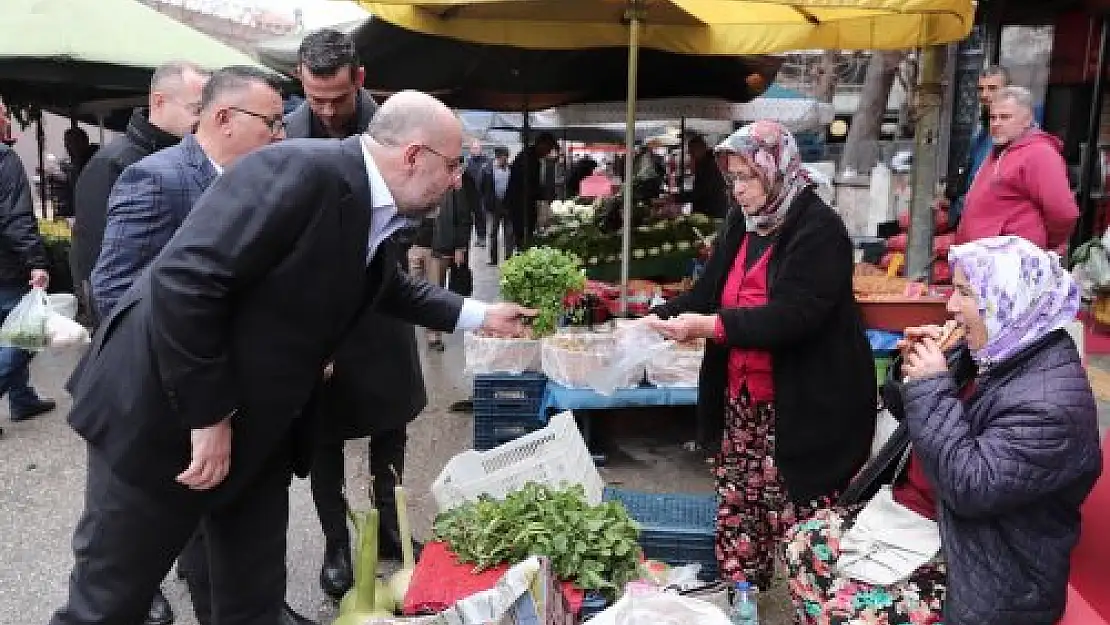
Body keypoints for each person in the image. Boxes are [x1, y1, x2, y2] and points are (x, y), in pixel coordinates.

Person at [47, 89, 534, 625]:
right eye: (453, 162)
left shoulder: (369, 202)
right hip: (161, 417)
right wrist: (208, 416)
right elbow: (184, 286)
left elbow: (386, 286)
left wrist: (480, 315)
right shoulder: (299, 172)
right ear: (414, 155)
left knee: (252, 599)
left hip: (257, 428)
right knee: (108, 603)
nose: (459, 178)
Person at [784, 235, 1102, 625]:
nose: (951, 306)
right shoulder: (994, 347)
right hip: (922, 517)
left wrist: (932, 385)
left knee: (848, 614)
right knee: (801, 546)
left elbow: (969, 487)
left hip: (987, 560)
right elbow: (909, 412)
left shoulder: (1053, 407)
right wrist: (909, 370)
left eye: (965, 293)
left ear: (1008, 298)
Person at [88, 67, 308, 625]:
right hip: (170, 405)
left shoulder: (266, 182)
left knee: (233, 552)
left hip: (239, 405)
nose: (282, 137)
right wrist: (193, 384)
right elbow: (117, 292)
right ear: (224, 119)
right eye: (272, 124)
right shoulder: (156, 179)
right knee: (127, 563)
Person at [645, 120, 876, 588]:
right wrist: (656, 319)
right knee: (740, 508)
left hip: (804, 406)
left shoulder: (819, 228)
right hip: (743, 400)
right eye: (732, 179)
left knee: (798, 522)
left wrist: (710, 327)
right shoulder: (743, 223)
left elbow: (794, 316)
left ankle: (802, 609)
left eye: (748, 177)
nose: (739, 190)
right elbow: (708, 292)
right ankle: (744, 600)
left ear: (777, 169)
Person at [282, 28, 429, 603]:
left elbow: (420, 201)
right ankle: (335, 541)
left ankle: (390, 525)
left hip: (380, 300)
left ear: (359, 80)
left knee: (389, 426)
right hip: (315, 311)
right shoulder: (286, 132)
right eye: (315, 98)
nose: (324, 109)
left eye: (336, 99)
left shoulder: (392, 126)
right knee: (323, 436)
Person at [72, 61, 210, 330]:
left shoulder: (195, 157)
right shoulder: (112, 164)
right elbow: (95, 257)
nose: (202, 119)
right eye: (196, 109)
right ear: (159, 101)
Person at [955, 86, 1078, 253]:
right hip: (983, 261)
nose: (996, 123)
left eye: (1005, 117)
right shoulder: (1000, 150)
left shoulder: (1039, 153)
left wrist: (1041, 243)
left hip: (1011, 263)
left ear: (1027, 120)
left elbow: (1064, 212)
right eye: (993, 118)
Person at [0, 106, 56, 428]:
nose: (8, 119)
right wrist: (35, 261)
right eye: (4, 114)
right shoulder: (4, 159)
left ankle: (21, 399)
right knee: (24, 336)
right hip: (6, 267)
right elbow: (15, 217)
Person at [409, 169, 476, 350]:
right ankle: (422, 327)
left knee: (432, 291)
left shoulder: (453, 185)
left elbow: (464, 217)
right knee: (412, 291)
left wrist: (460, 247)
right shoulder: (413, 181)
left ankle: (433, 336)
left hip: (437, 249)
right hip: (413, 245)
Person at [946, 65, 1010, 225]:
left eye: (992, 88)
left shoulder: (1010, 132)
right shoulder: (982, 131)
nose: (985, 94)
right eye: (981, 89)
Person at [504, 132, 556, 251]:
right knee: (521, 239)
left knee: (522, 239)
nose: (548, 152)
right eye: (548, 148)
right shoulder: (528, 159)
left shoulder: (530, 157)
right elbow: (529, 185)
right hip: (520, 207)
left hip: (523, 206)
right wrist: (543, 195)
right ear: (541, 144)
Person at [677, 134, 728, 218]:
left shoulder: (709, 165)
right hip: (710, 210)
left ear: (700, 149)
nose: (691, 155)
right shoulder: (707, 162)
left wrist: (677, 198)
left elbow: (701, 191)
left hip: (711, 211)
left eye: (692, 152)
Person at [485, 145, 513, 265]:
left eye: (507, 157)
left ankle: (509, 258)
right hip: (494, 206)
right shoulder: (488, 170)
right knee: (493, 233)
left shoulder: (510, 169)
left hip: (508, 205)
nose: (505, 160)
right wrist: (488, 201)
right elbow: (483, 187)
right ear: (497, 157)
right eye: (503, 157)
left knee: (509, 233)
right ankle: (493, 259)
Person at [464, 138, 489, 246]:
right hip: (470, 194)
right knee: (468, 217)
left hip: (482, 193)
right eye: (474, 148)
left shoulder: (486, 161)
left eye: (477, 148)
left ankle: (482, 237)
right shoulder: (468, 162)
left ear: (481, 149)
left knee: (481, 216)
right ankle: (468, 238)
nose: (476, 150)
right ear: (470, 150)